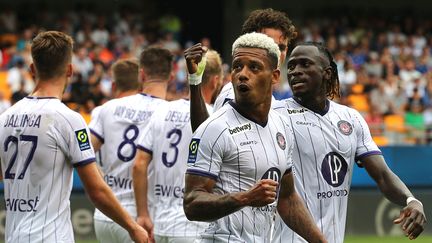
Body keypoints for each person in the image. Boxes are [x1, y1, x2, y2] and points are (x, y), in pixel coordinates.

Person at [0, 31, 148, 243]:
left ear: (32, 69)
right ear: (70, 69)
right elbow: (96, 190)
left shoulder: (5, 118)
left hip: (13, 236)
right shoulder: (69, 120)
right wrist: (133, 228)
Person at [270, 41, 426, 242]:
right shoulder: (275, 117)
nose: (295, 71)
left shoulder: (351, 119)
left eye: (305, 64)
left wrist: (411, 200)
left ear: (327, 72)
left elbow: (382, 175)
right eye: (291, 66)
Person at [183, 32, 327, 243]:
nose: (243, 74)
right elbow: (191, 204)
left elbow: (287, 199)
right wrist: (246, 198)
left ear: (275, 76)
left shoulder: (282, 126)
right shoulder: (214, 128)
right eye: (237, 66)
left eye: (254, 67)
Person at [132, 49, 223, 243]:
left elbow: (139, 164)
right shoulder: (216, 117)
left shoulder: (161, 110)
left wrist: (143, 214)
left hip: (161, 224)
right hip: (195, 226)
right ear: (216, 81)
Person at [89, 46, 174, 243]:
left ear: (142, 75)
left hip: (106, 213)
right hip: (141, 215)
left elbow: (81, 152)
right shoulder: (170, 114)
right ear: (170, 78)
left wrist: (101, 180)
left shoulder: (107, 108)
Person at [189, 8, 297, 131]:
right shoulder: (235, 92)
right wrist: (194, 80)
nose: (276, 53)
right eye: (269, 44)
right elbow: (207, 137)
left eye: (281, 48)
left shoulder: (272, 99)